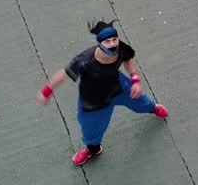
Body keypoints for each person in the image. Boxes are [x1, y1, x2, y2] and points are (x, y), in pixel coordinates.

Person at [37, 20, 169, 165]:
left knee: (141, 102)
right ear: (100, 43)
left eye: (114, 39)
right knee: (90, 130)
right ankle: (93, 150)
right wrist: (46, 91)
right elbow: (63, 73)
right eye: (107, 41)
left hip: (120, 88)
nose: (112, 44)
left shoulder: (120, 48)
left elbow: (128, 60)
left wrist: (135, 80)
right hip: (94, 100)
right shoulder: (85, 60)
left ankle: (153, 108)